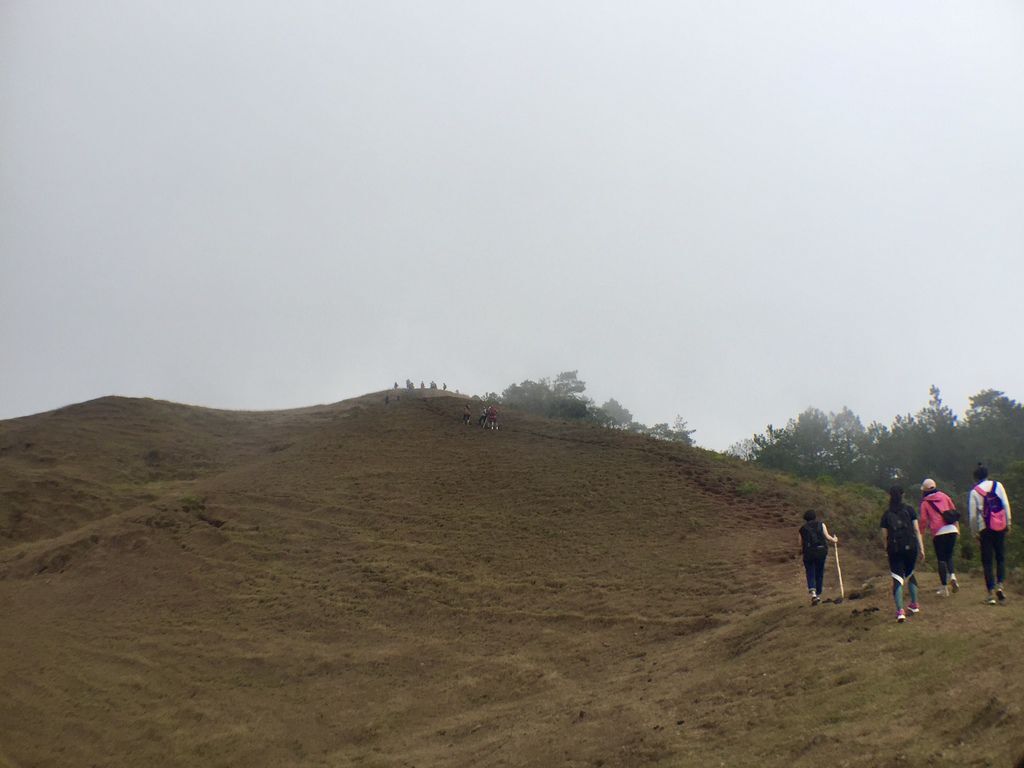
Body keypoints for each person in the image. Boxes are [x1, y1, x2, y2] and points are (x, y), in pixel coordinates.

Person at [880, 485, 925, 623]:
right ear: (903, 495)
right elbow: (917, 530)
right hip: (911, 547)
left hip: (895, 549)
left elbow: (884, 536)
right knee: (910, 573)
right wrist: (921, 548)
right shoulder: (910, 510)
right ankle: (914, 604)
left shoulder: (886, 515)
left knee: (897, 578)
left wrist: (886, 549)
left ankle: (900, 611)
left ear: (890, 496)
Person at [968, 464, 1012, 605]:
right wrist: (1008, 523)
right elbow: (1005, 505)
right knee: (1000, 557)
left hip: (985, 528)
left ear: (975, 477)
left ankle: (990, 593)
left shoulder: (974, 492)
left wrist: (975, 532)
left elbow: (973, 516)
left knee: (987, 560)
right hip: (999, 525)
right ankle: (1000, 585)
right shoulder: (998, 485)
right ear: (987, 474)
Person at [918, 478, 960, 596]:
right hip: (952, 529)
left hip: (938, 532)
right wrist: (957, 528)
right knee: (949, 555)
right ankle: (952, 576)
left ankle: (944, 588)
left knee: (941, 559)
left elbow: (923, 520)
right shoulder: (945, 496)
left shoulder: (925, 503)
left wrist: (921, 533)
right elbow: (954, 511)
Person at [798, 510, 838, 605]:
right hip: (821, 552)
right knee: (819, 572)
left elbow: (799, 543)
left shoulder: (802, 529)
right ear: (815, 517)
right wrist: (834, 539)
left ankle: (813, 594)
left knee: (810, 571)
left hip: (809, 554)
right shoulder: (821, 525)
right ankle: (819, 594)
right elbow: (827, 537)